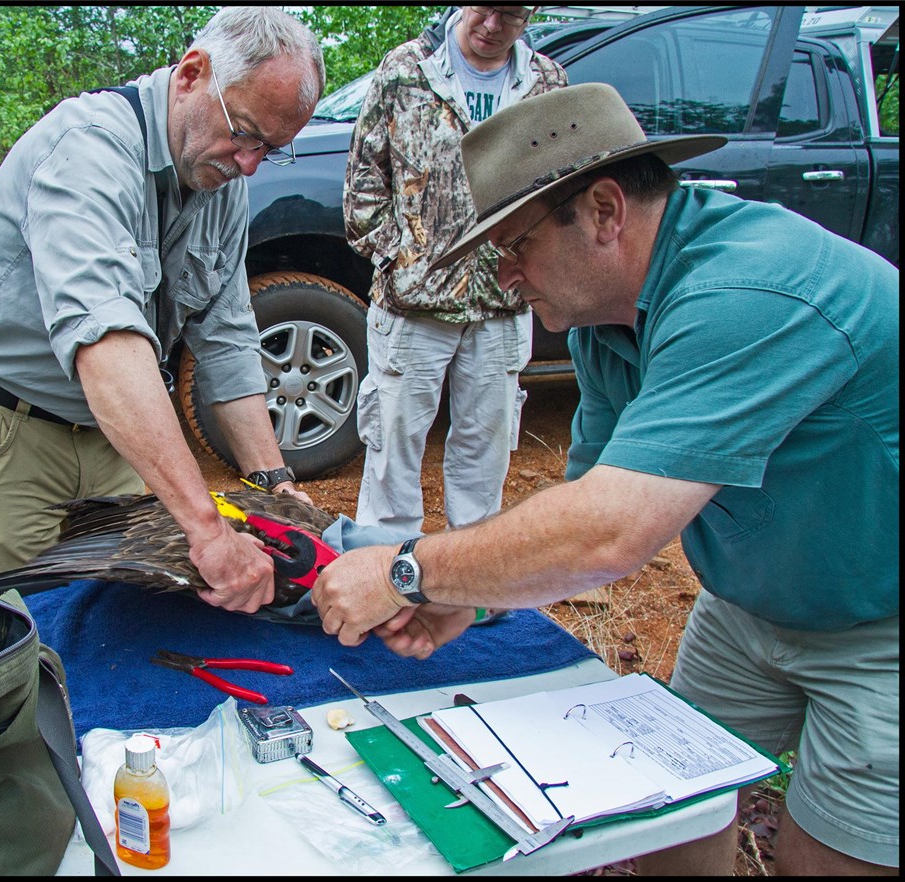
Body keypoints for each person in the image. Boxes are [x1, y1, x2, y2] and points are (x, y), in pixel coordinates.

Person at [313, 84, 899, 875]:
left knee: (821, 862)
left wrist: (406, 572)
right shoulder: (604, 314)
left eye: (513, 245)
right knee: (672, 819)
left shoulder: (746, 294)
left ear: (603, 211)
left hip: (884, 625)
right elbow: (581, 501)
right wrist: (474, 592)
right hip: (749, 607)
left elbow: (607, 533)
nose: (504, 278)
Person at [0, 7, 326, 614]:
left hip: (118, 437)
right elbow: (106, 345)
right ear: (193, 74)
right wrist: (206, 527)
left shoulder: (221, 180)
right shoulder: (88, 148)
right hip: (9, 432)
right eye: (245, 133)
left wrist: (273, 483)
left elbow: (228, 341)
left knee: (102, 618)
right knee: (10, 624)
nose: (249, 163)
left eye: (270, 150)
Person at [343, 5, 567, 533]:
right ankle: (383, 572)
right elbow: (363, 177)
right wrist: (398, 258)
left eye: (510, 16)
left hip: (505, 302)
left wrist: (538, 267)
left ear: (530, 14)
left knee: (484, 457)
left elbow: (563, 183)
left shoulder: (547, 82)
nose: (492, 27)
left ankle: (468, 588)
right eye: (485, 10)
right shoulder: (406, 69)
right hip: (412, 304)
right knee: (392, 450)